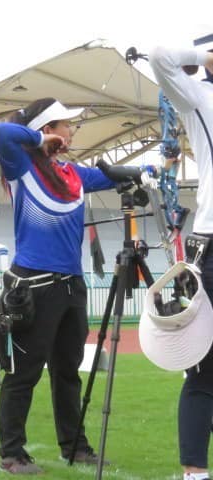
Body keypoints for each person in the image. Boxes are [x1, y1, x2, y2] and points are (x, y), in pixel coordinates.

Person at [0, 98, 121, 474]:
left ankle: (75, 447)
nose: (73, 132)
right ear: (50, 129)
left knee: (68, 371)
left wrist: (153, 168)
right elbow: (2, 131)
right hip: (35, 285)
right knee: (24, 373)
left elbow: (112, 175)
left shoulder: (74, 174)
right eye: (67, 125)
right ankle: (11, 453)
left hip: (71, 286)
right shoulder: (21, 165)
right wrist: (38, 140)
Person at [149, 36, 213, 480]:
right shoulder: (200, 96)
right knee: (205, 370)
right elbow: (160, 57)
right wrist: (206, 59)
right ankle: (194, 474)